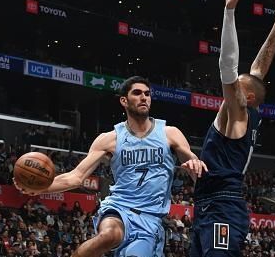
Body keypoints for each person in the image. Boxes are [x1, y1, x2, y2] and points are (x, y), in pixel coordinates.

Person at [15, 76, 208, 257]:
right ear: (124, 101)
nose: (144, 97)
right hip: (119, 207)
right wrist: (40, 187)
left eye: (147, 94)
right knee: (108, 236)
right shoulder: (109, 139)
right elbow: (76, 177)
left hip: (150, 218)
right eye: (137, 93)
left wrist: (194, 163)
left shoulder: (170, 133)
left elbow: (194, 165)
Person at [190, 0, 275, 257]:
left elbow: (227, 67)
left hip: (222, 205)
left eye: (235, 88)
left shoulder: (238, 114)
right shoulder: (247, 106)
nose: (229, 90)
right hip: (210, 204)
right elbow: (257, 70)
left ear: (247, 98)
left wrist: (229, 11)